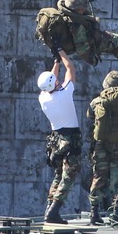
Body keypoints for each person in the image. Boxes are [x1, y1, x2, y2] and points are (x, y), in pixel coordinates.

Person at [87, 70, 118, 225]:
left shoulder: (97, 101)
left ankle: (94, 212)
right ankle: (116, 213)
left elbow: (89, 115)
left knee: (99, 176)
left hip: (101, 145)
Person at [37, 51, 81, 224]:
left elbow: (52, 80)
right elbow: (71, 69)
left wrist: (56, 62)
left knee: (58, 174)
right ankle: (54, 210)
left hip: (55, 141)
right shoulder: (64, 94)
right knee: (69, 176)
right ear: (54, 83)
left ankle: (49, 208)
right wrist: (62, 53)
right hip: (70, 139)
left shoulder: (43, 98)